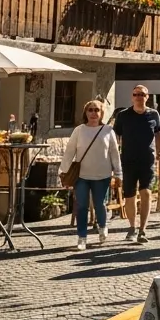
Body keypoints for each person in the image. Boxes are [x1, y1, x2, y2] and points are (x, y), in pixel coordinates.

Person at [59, 101, 122, 250]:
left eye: (96, 110)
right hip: (81, 175)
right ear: (85, 112)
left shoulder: (108, 131)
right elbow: (69, 152)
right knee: (82, 206)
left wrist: (118, 173)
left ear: (101, 113)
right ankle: (82, 238)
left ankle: (102, 226)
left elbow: (114, 153)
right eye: (90, 110)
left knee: (100, 204)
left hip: (102, 174)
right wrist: (63, 171)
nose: (93, 113)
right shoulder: (79, 131)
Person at [114, 85, 160, 245]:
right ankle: (132, 226)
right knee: (129, 195)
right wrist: (113, 157)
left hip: (147, 160)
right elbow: (115, 137)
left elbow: (158, 133)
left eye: (142, 94)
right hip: (128, 160)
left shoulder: (153, 114)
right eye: (136, 94)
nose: (139, 97)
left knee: (146, 193)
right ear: (132, 97)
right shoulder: (123, 115)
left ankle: (143, 229)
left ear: (147, 97)